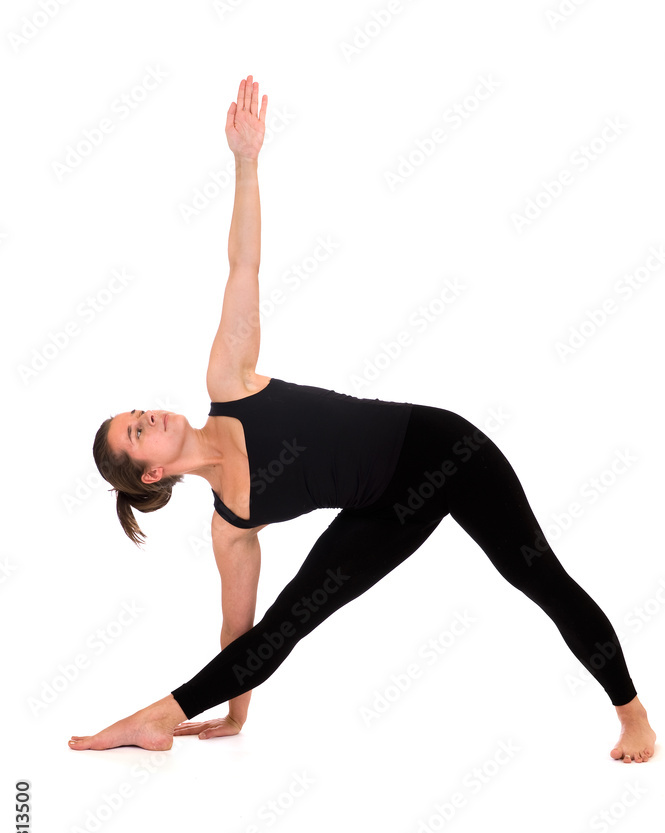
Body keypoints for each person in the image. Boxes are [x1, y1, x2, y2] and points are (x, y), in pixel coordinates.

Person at [69, 76, 656, 763]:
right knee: (291, 618)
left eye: (139, 412)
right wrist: (234, 714)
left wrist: (246, 162)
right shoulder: (231, 525)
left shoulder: (227, 383)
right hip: (387, 507)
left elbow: (244, 264)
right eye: (139, 431)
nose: (151, 415)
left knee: (534, 575)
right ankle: (155, 717)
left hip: (444, 450)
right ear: (154, 471)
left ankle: (633, 716)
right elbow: (242, 633)